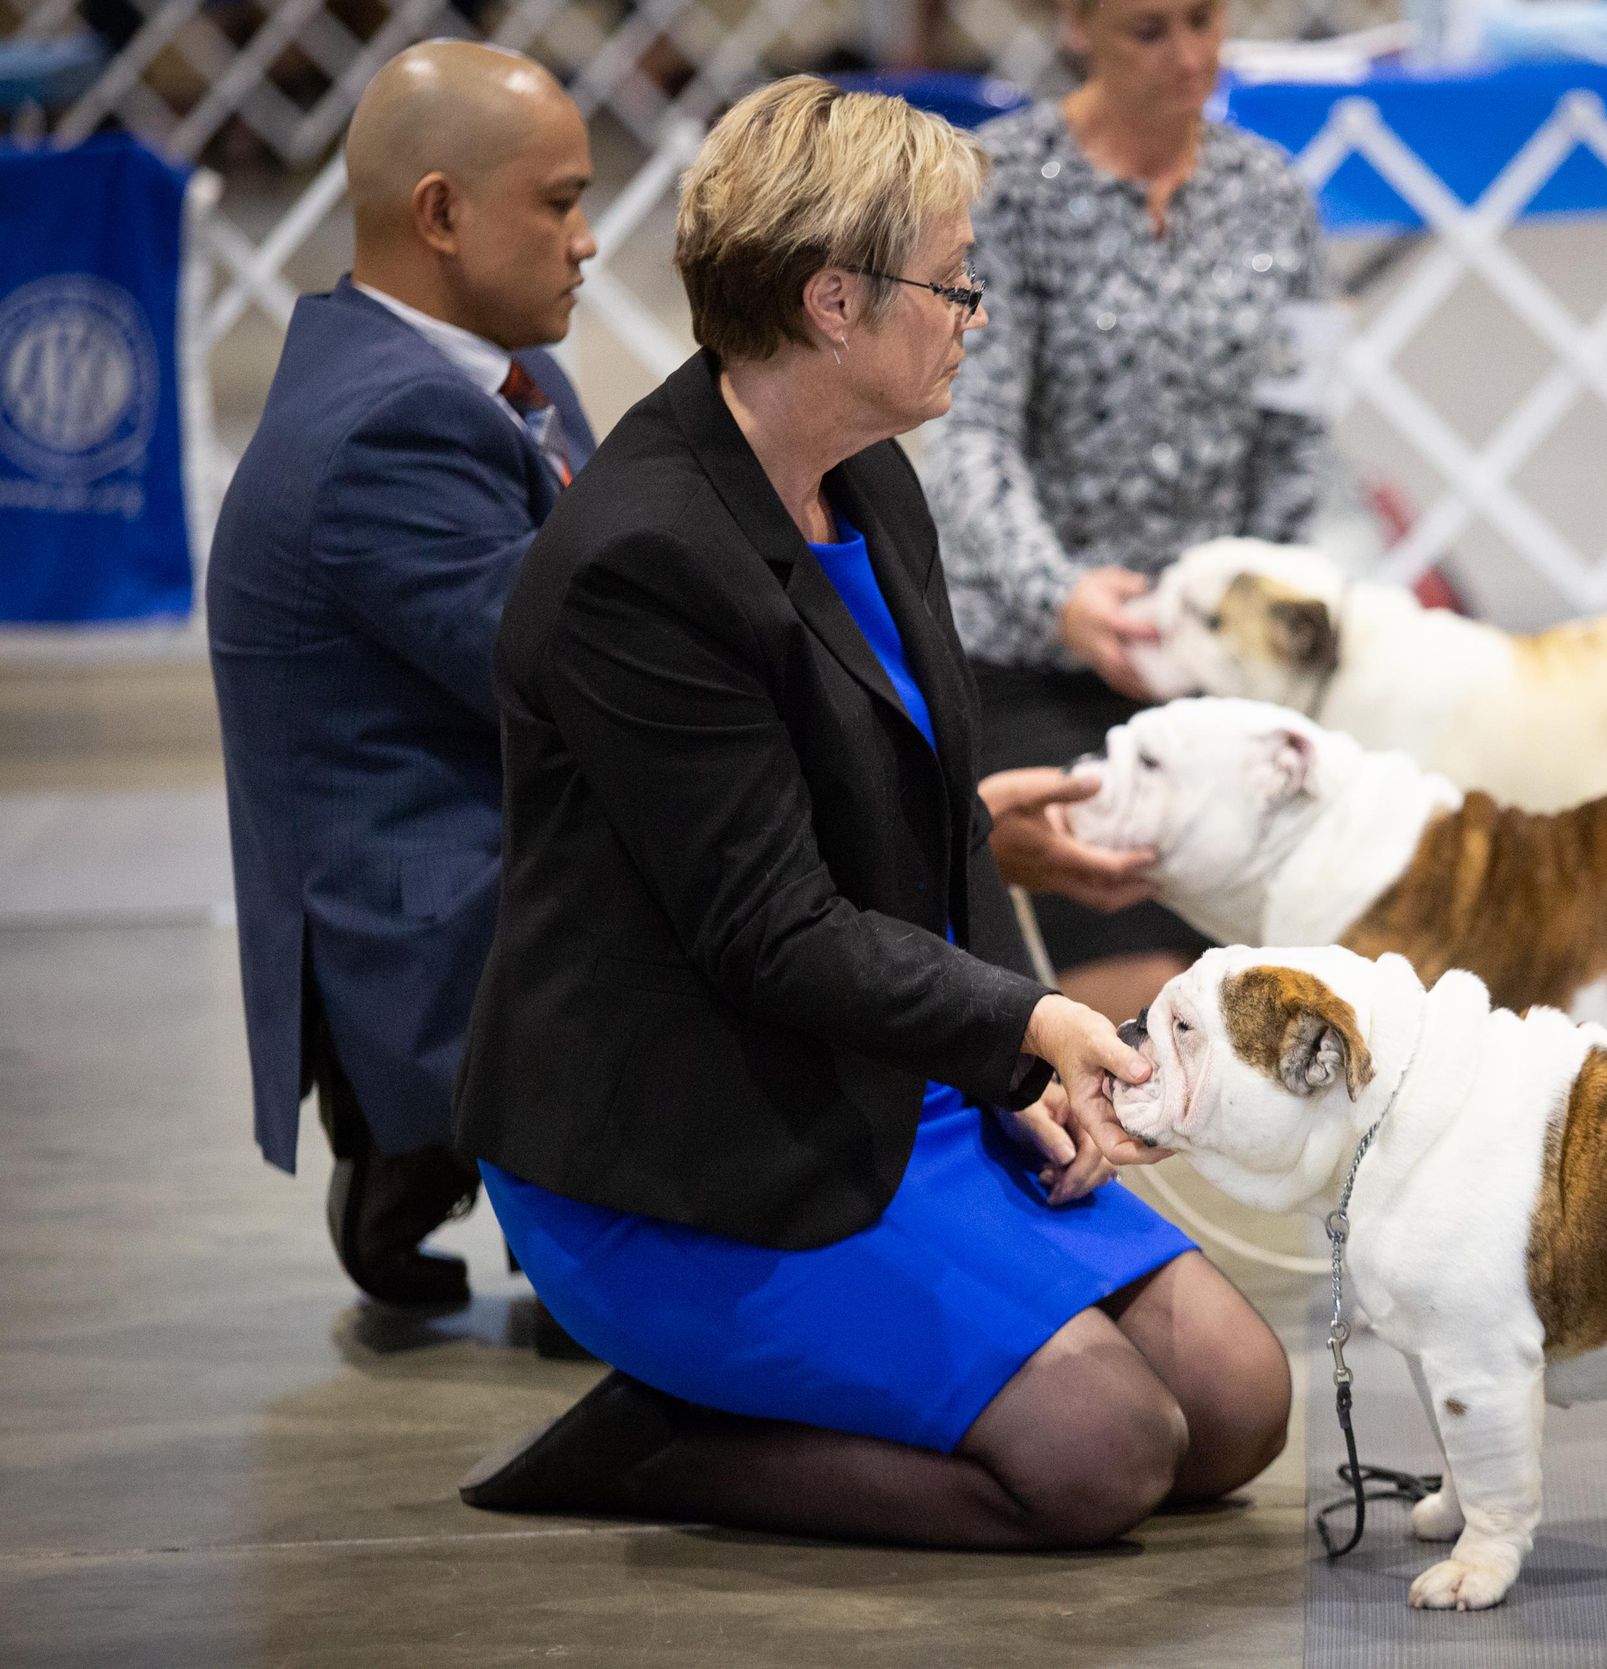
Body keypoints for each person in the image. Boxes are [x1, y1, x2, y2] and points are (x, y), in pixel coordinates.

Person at [453, 80, 1291, 1548]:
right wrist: (1023, 1028)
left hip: (875, 1075)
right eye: (955, 280)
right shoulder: (640, 562)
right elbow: (767, 929)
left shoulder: (871, 482)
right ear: (834, 302)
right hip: (686, 1146)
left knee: (1234, 1410)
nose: (975, 308)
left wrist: (1000, 1012)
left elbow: (851, 820)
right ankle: (660, 1447)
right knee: (1103, 1454)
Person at [206, 42, 597, 1309]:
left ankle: (422, 1160)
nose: (589, 240)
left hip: (461, 858)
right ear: (441, 213)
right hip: (436, 928)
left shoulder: (471, 373)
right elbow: (582, 679)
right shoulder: (398, 424)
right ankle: (555, 1213)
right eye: (558, 202)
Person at [923, 0, 1335, 1022]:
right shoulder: (1000, 187)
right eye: (1149, 30)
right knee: (1142, 1014)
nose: (1189, 56)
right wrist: (1060, 595)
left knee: (1274, 1005)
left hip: (1219, 673)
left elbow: (1300, 429)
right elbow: (967, 434)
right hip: (1030, 661)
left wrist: (1261, 619)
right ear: (1075, 26)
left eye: (1203, 21)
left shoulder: (1275, 195)